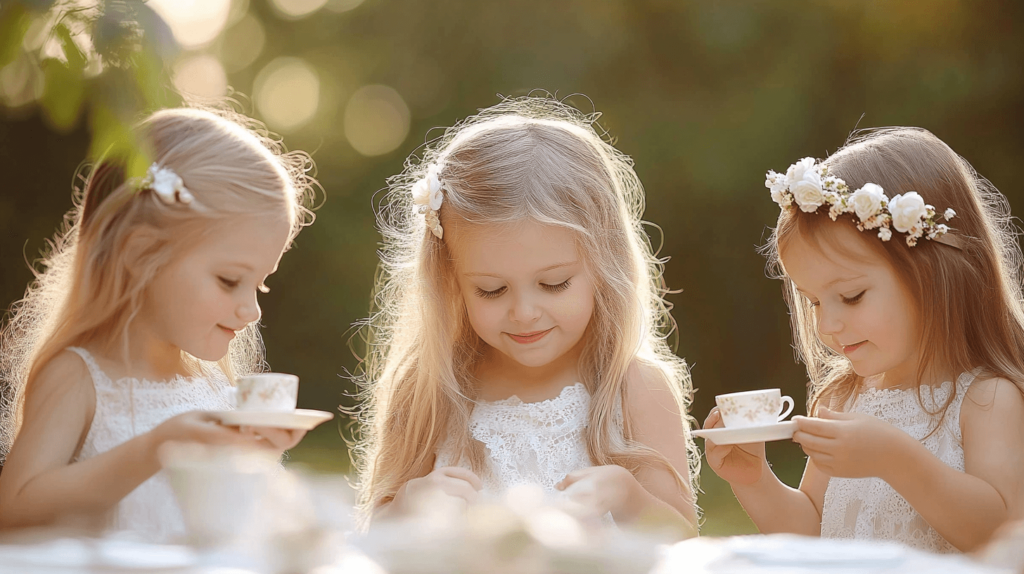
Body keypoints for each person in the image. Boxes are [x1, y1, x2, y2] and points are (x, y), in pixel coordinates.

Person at [353, 96, 699, 537]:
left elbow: (684, 544)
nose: (524, 313)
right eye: (491, 290)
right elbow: (373, 540)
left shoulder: (634, 390)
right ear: (450, 280)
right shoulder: (431, 389)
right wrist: (405, 508)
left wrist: (630, 496)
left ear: (604, 263)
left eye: (554, 284)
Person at [0, 108, 317, 541]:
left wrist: (252, 456)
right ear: (140, 254)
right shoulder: (81, 376)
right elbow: (14, 508)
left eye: (259, 286)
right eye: (230, 281)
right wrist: (155, 449)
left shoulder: (211, 387)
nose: (251, 310)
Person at [705, 128, 1024, 552]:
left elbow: (1004, 538)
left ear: (934, 274)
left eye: (851, 296)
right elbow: (817, 534)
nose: (826, 326)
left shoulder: (986, 399)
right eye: (815, 302)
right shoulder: (843, 399)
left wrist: (897, 460)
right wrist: (755, 481)